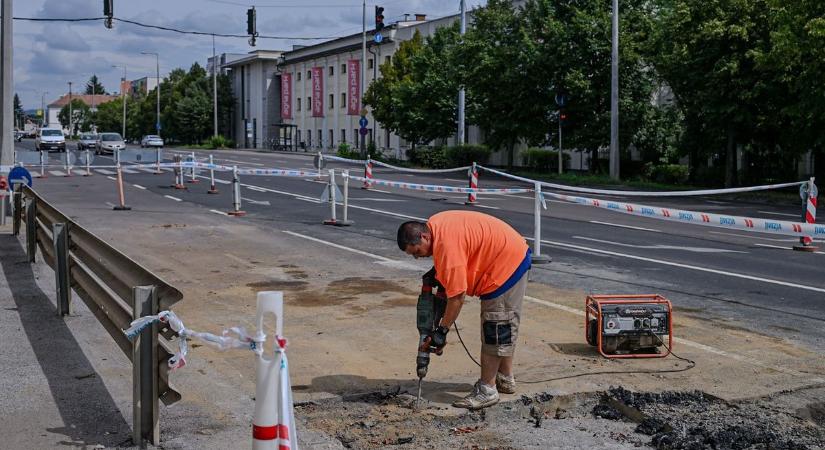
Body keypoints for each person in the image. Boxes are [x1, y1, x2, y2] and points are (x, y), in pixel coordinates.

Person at [397, 210, 531, 410]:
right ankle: (505, 378)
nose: (417, 257)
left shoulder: (446, 247)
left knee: (496, 327)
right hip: (508, 253)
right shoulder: (436, 225)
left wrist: (441, 331)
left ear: (425, 237)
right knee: (501, 326)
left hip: (505, 267)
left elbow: (457, 297)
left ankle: (488, 390)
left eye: (416, 251)